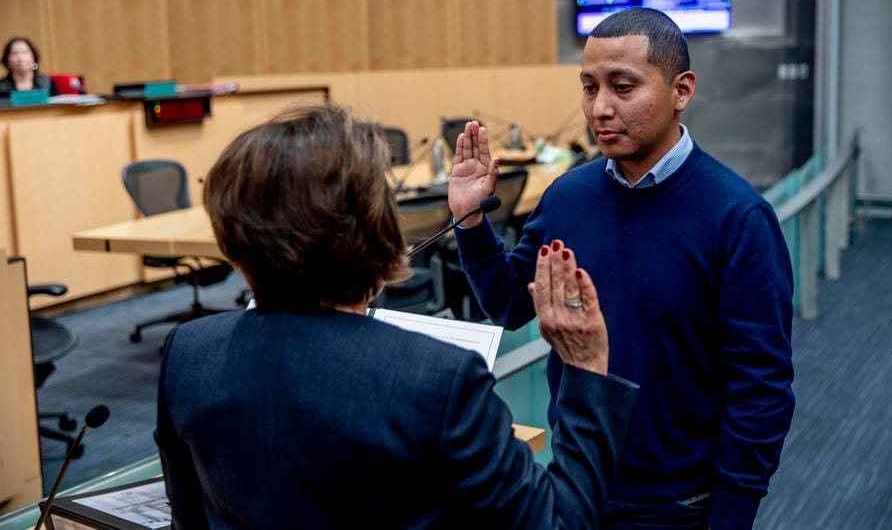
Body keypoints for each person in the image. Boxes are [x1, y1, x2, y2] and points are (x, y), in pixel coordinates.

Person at [155, 104, 639, 528]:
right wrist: (583, 370)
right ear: (376, 226)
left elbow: (190, 518)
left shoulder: (188, 353)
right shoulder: (436, 380)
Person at [448, 7, 795, 530]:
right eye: (589, 88)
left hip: (680, 506)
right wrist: (470, 219)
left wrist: (732, 515)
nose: (601, 109)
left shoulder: (737, 217)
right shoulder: (568, 196)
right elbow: (508, 304)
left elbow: (761, 387)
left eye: (623, 87)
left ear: (682, 91)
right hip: (572, 482)